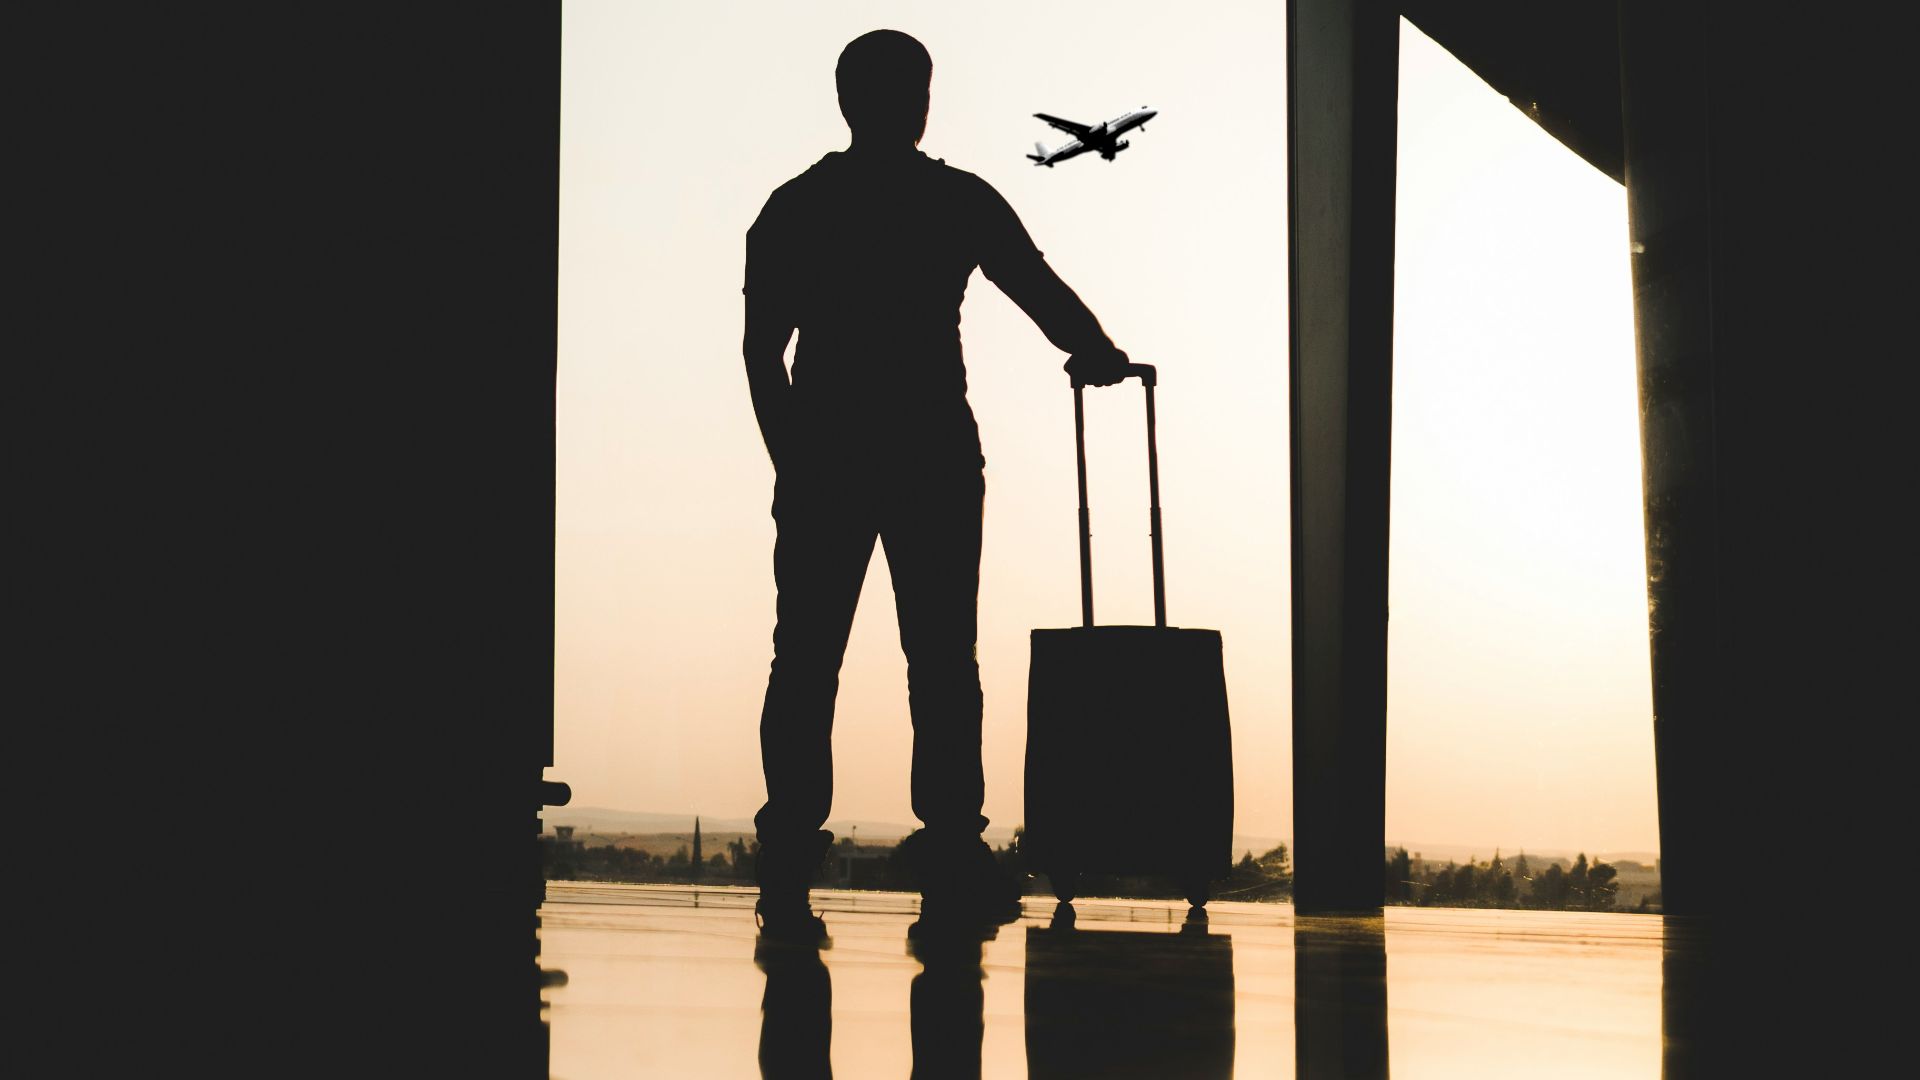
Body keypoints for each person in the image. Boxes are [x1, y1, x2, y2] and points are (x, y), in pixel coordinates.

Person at [743, 29, 1132, 940]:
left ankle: (790, 854)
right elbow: (1033, 285)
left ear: (845, 102)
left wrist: (791, 461)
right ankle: (952, 847)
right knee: (944, 664)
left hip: (829, 452)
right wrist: (1099, 352)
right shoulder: (953, 200)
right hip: (931, 452)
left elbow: (765, 354)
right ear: (920, 101)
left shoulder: (796, 208)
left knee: (805, 663)